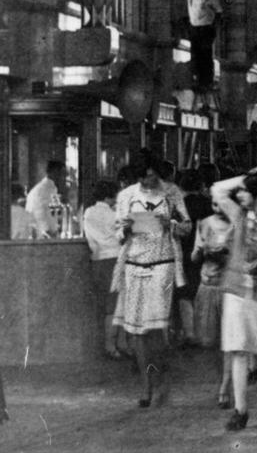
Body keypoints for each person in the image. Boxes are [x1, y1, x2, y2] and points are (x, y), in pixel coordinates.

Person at [113, 153, 192, 407]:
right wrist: (125, 227)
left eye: (153, 174)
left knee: (156, 326)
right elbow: (117, 232)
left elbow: (188, 226)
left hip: (163, 264)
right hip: (134, 264)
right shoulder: (126, 196)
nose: (150, 179)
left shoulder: (172, 193)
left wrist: (169, 223)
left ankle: (158, 374)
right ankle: (145, 386)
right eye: (144, 175)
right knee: (137, 329)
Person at [211, 170, 257, 431]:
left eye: (244, 191)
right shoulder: (238, 215)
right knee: (238, 349)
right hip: (237, 290)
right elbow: (217, 189)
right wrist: (245, 178)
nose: (239, 195)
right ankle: (241, 410)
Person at [192, 189, 234, 406]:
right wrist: (202, 251)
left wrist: (225, 253)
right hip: (207, 285)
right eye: (215, 204)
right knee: (209, 341)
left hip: (228, 287)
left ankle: (225, 386)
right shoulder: (204, 223)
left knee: (228, 340)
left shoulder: (237, 225)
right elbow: (194, 255)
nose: (218, 209)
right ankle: (223, 379)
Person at [82, 180, 126, 359]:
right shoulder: (113, 214)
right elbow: (123, 234)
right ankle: (113, 346)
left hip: (97, 260)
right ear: (110, 197)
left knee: (105, 304)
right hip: (114, 259)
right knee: (114, 305)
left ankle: (112, 344)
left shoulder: (88, 212)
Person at [177, 170, 213, 346]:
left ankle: (189, 332)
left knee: (184, 293)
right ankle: (203, 333)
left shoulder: (178, 205)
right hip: (206, 253)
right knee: (201, 290)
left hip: (183, 252)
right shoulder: (209, 204)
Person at [25, 160, 65, 239]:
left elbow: (56, 212)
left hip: (51, 235)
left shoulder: (52, 188)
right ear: (54, 172)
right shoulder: (42, 190)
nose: (64, 177)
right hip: (41, 237)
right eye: (62, 174)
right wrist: (47, 232)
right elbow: (39, 213)